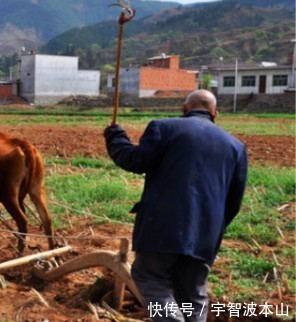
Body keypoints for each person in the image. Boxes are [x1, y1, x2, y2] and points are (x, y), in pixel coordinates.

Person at [103, 90, 247, 322]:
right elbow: (233, 201)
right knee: (193, 295)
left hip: (162, 227)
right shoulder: (236, 147)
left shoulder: (164, 128)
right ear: (215, 113)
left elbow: (135, 160)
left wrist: (115, 137)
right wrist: (211, 228)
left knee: (151, 278)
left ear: (185, 108)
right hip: (205, 235)